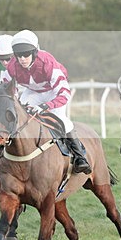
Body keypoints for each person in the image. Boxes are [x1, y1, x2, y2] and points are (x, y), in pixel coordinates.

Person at [6, 29, 91, 173]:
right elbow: (9, 90)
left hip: (53, 91)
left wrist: (46, 106)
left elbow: (64, 94)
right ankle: (3, 149)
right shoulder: (12, 67)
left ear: (34, 53)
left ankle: (80, 157)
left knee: (60, 119)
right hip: (32, 92)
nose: (22, 59)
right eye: (18, 55)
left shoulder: (47, 62)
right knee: (17, 116)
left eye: (26, 54)